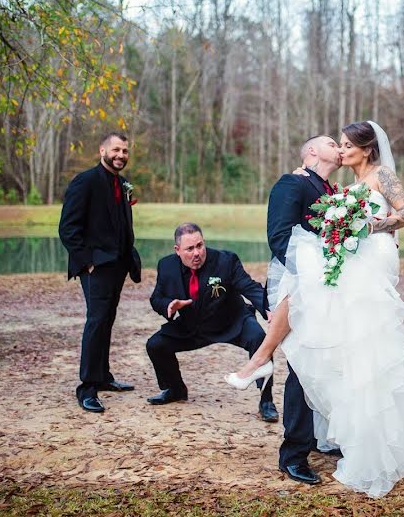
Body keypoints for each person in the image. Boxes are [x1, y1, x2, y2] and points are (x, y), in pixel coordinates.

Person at [225, 134, 342, 486]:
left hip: (329, 290)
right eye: (331, 142)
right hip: (299, 286)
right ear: (311, 151)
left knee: (324, 363)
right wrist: (316, 267)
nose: (339, 147)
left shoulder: (331, 190)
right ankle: (293, 454)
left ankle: (323, 436)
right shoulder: (292, 182)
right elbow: (279, 237)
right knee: (302, 367)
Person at [145, 223, 277, 421]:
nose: (197, 252)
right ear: (177, 250)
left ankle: (266, 401)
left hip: (232, 321)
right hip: (193, 326)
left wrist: (267, 309)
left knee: (259, 338)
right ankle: (175, 389)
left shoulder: (226, 260)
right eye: (190, 249)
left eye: (200, 245)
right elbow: (156, 298)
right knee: (155, 345)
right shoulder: (166, 266)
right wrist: (169, 305)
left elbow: (249, 287)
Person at [58, 132, 142, 413]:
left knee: (107, 320)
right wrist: (87, 262)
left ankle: (104, 377)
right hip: (96, 266)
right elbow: (68, 229)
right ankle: (87, 387)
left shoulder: (121, 184)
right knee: (96, 321)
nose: (121, 155)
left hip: (117, 264)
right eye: (116, 150)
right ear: (102, 150)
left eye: (125, 151)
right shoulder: (85, 181)